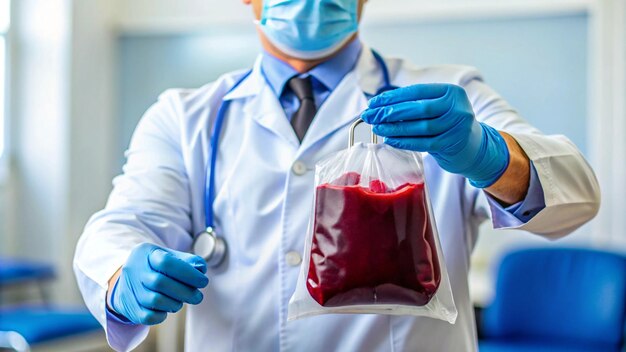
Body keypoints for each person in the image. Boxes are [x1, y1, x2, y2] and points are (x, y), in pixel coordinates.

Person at [73, 0, 600, 351]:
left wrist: (485, 154)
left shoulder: (446, 92)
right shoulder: (186, 117)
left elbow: (575, 192)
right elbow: (126, 223)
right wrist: (124, 275)